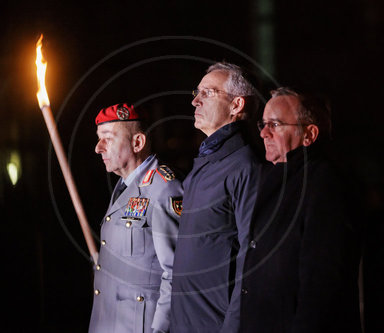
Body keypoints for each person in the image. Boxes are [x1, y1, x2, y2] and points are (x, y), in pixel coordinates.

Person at [240, 87, 362, 332]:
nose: (264, 133)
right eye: (263, 124)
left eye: (275, 124)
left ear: (309, 134)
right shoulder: (274, 179)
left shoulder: (324, 184)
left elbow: (322, 280)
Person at [170, 62, 262, 333]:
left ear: (236, 105)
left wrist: (233, 327)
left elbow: (251, 260)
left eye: (207, 93)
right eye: (196, 92)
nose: (195, 101)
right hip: (186, 323)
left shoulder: (245, 166)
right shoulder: (206, 164)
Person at [88, 103, 183, 333]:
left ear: (137, 143)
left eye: (107, 138)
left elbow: (177, 273)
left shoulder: (163, 189)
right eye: (99, 138)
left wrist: (159, 330)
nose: (98, 148)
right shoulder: (123, 187)